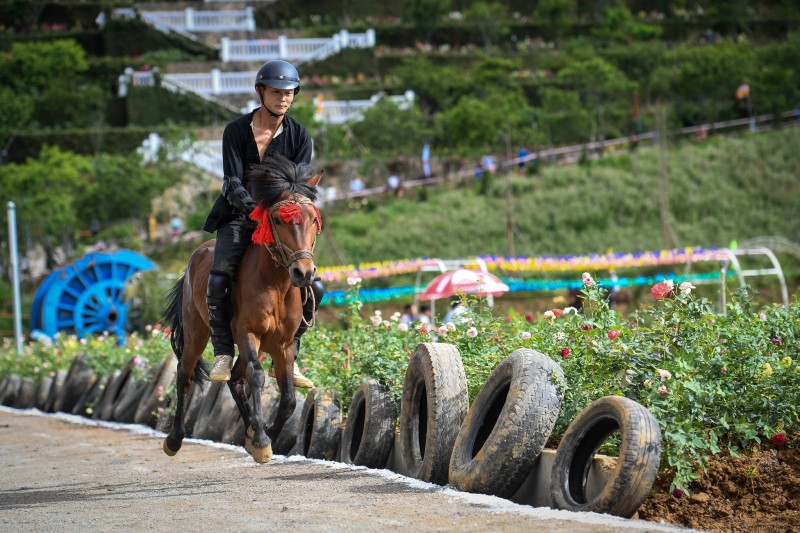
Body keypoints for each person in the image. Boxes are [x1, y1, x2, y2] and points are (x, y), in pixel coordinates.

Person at [202, 59, 322, 387]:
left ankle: (291, 354)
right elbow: (230, 181)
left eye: (289, 93)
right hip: (240, 215)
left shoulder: (300, 135)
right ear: (261, 92)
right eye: (276, 92)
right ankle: (224, 351)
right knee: (218, 277)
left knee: (317, 286)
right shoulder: (236, 131)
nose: (284, 98)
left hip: (283, 221)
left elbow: (300, 185)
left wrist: (280, 213)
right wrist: (253, 208)